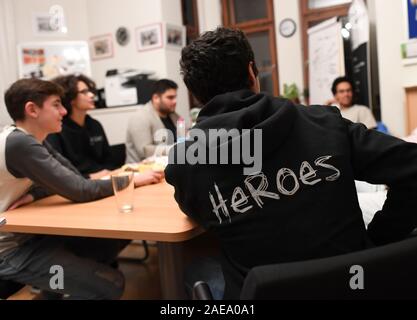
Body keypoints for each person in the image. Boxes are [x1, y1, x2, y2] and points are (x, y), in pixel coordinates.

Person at [165, 27, 417, 299]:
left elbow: (199, 212)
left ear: (195, 93)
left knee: (195, 268)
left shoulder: (186, 164)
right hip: (354, 283)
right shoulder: (325, 123)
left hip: (263, 293)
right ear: (252, 72)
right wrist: (378, 240)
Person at [0, 78, 163, 299]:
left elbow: (73, 178)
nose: (64, 111)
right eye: (56, 104)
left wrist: (34, 193)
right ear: (32, 109)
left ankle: (56, 289)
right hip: (11, 250)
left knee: (111, 242)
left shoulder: (32, 139)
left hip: (34, 235)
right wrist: (132, 180)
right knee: (110, 284)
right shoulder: (19, 144)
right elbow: (80, 189)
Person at [46, 74, 117, 179]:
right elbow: (60, 172)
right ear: (70, 98)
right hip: (78, 184)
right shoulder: (57, 129)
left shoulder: (95, 125)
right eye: (84, 92)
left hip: (105, 178)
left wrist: (107, 173)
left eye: (90, 91)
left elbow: (109, 160)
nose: (92, 95)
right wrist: (89, 177)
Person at [125, 79, 180, 163]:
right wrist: (177, 148)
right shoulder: (140, 117)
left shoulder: (173, 115)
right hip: (141, 170)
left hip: (168, 165)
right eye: (170, 97)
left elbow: (185, 136)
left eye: (175, 97)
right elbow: (145, 151)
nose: (175, 101)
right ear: (156, 98)